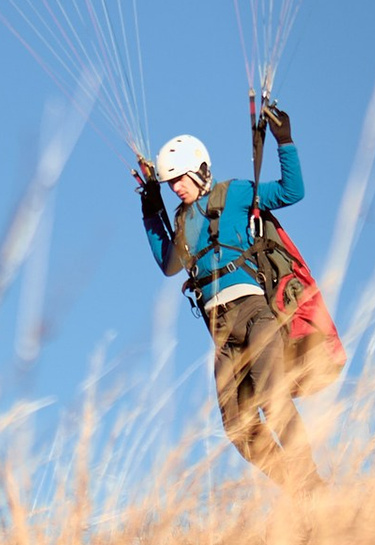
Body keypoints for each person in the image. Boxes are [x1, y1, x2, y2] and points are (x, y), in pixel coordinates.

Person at [136, 96, 319, 479]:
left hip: (255, 314)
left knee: (273, 396)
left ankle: (311, 481)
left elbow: (291, 192)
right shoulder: (182, 220)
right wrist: (151, 210)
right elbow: (170, 264)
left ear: (201, 170)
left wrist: (285, 141)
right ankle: (300, 491)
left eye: (181, 179)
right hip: (222, 332)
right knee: (237, 426)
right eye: (170, 184)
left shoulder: (234, 193)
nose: (176, 189)